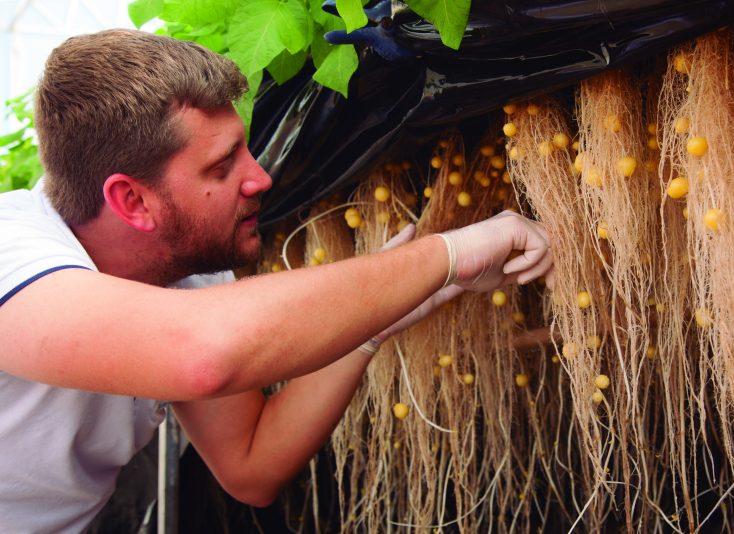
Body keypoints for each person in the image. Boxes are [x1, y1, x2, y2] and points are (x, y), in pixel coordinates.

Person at [0, 29, 553, 532]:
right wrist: (448, 253)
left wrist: (380, 322)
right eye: (221, 167)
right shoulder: (12, 249)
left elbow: (251, 464)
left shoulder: (189, 277)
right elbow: (204, 352)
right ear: (132, 200)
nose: (260, 177)